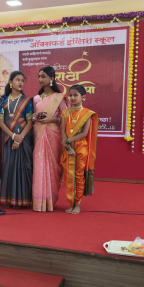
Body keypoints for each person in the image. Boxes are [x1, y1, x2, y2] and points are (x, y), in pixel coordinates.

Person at [32, 66, 68, 212]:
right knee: (39, 165)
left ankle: (50, 201)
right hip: (38, 134)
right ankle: (38, 202)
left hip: (53, 135)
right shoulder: (36, 98)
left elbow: (65, 118)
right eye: (39, 76)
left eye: (43, 76)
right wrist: (34, 117)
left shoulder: (59, 98)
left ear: (52, 78)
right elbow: (32, 116)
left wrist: (52, 120)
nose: (40, 79)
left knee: (52, 168)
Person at [0, 71, 33, 208]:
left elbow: (29, 123)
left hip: (23, 139)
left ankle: (22, 200)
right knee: (9, 167)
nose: (20, 83)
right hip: (8, 138)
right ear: (10, 82)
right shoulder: (3, 101)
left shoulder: (27, 101)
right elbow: (1, 123)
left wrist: (19, 139)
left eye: (22, 80)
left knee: (22, 168)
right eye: (17, 80)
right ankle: (9, 199)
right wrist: (13, 136)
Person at [61, 84, 98, 214]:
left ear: (83, 97)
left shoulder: (87, 114)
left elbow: (84, 133)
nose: (72, 97)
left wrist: (67, 141)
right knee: (68, 176)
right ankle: (70, 202)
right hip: (67, 148)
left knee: (78, 176)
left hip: (80, 148)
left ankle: (77, 204)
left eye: (75, 95)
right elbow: (63, 131)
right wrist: (67, 147)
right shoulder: (65, 113)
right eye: (70, 95)